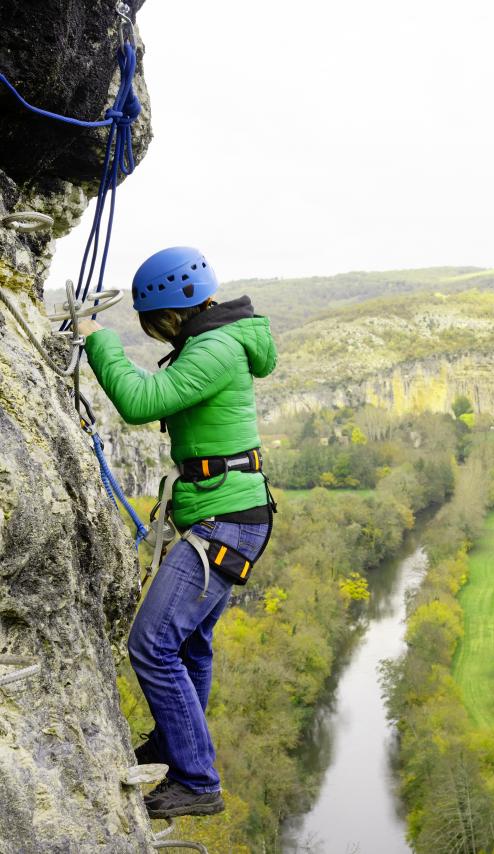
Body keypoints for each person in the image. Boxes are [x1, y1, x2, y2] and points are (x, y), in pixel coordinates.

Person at [79, 246, 277, 819]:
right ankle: (174, 749)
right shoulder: (218, 340)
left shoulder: (215, 348)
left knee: (152, 643)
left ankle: (196, 779)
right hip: (227, 517)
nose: (157, 333)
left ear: (173, 309)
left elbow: (142, 401)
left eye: (156, 322)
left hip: (226, 523)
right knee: (188, 643)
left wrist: (99, 338)